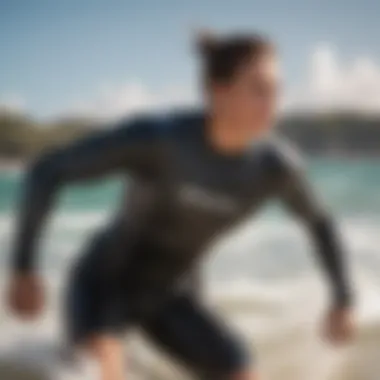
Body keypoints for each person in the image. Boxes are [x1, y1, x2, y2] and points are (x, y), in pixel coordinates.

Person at [7, 31, 355, 380]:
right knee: (102, 373)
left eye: (276, 90)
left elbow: (320, 223)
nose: (272, 103)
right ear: (217, 91)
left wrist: (342, 299)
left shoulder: (277, 168)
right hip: (106, 284)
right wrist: (24, 268)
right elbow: (47, 171)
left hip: (172, 295)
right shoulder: (160, 140)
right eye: (259, 90)